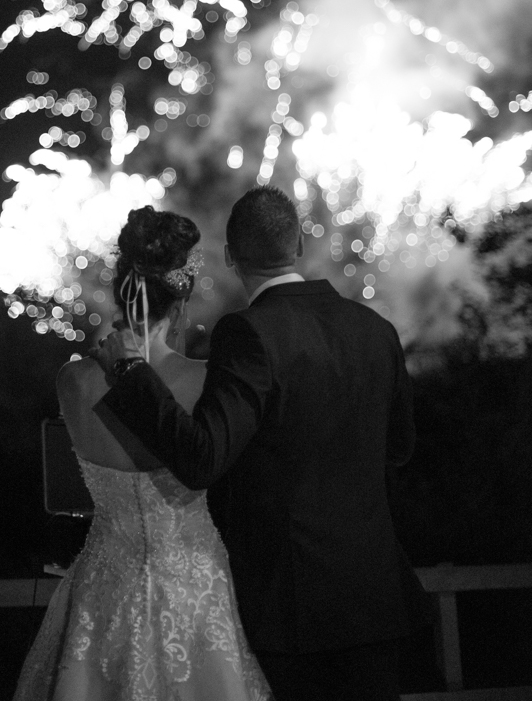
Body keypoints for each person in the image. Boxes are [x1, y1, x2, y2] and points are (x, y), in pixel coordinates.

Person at [95, 186, 431, 701]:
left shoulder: (249, 333)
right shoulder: (375, 328)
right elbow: (400, 449)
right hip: (375, 596)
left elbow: (203, 457)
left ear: (230, 257)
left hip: (291, 605)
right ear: (297, 246)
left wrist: (130, 371)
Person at [12, 205, 273, 701]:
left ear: (120, 292)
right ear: (181, 303)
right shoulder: (205, 381)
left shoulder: (71, 382)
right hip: (194, 585)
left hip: (102, 586)